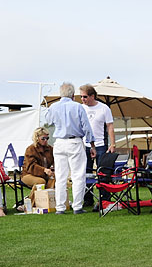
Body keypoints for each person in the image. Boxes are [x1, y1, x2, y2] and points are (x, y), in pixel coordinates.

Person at [44, 82, 95, 214]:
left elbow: (48, 121)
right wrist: (92, 144)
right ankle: (77, 206)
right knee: (78, 175)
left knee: (60, 176)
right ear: (73, 95)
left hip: (59, 142)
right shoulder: (78, 107)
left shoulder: (53, 107)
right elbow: (86, 127)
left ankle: (60, 207)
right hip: (74, 142)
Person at [79, 84, 115, 169]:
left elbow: (110, 126)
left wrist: (113, 144)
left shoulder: (104, 108)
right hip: (84, 144)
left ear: (92, 96)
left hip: (100, 144)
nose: (82, 99)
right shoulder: (80, 108)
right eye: (81, 96)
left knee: (102, 171)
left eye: (85, 97)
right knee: (85, 172)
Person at [21, 127, 56, 207]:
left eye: (47, 138)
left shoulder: (50, 149)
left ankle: (46, 202)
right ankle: (29, 205)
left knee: (54, 179)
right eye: (43, 138)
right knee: (41, 182)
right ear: (37, 138)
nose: (46, 140)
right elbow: (31, 166)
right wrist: (44, 170)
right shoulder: (30, 149)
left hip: (44, 174)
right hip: (28, 174)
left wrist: (53, 170)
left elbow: (54, 162)